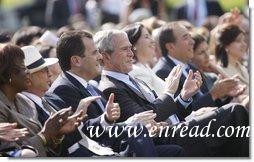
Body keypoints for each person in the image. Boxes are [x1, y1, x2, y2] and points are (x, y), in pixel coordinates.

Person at [95, 29, 249, 157]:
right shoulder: (110, 87)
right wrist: (169, 92)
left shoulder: (129, 78)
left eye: (130, 48)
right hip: (165, 139)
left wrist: (183, 97)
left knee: (234, 118)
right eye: (124, 49)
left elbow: (165, 112)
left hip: (176, 130)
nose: (131, 54)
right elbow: (146, 118)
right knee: (235, 112)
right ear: (106, 55)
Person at [45, 30, 184, 157]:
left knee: (175, 151)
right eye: (94, 52)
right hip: (103, 153)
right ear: (76, 60)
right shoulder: (63, 89)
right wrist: (132, 124)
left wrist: (143, 126)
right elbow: (87, 135)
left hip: (118, 145)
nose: (100, 56)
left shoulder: (90, 86)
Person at [0, 43, 85, 156]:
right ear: (7, 75)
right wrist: (45, 134)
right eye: (23, 68)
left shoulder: (25, 102)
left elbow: (47, 149)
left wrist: (57, 133)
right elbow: (12, 153)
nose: (27, 72)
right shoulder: (2, 107)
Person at [152, 22, 244, 110]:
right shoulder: (163, 72)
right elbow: (180, 112)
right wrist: (214, 94)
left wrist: (225, 94)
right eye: (185, 38)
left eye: (190, 37)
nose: (192, 42)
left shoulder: (191, 67)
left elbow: (210, 103)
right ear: (170, 46)